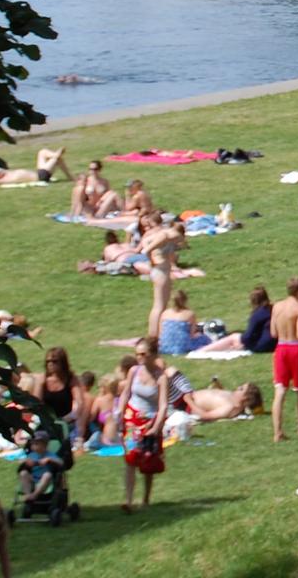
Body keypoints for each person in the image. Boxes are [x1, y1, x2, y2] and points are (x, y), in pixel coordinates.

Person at [120, 337, 172, 511]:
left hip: (150, 420)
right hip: (132, 418)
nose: (140, 358)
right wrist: (119, 413)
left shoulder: (161, 377)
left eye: (144, 354)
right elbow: (126, 393)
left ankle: (145, 499)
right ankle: (128, 500)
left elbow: (164, 405)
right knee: (130, 458)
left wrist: (157, 427)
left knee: (148, 461)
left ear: (153, 355)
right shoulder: (134, 371)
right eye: (137, 354)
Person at [269, 277, 298, 442]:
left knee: (280, 390)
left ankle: (277, 432)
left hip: (281, 348)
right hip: (296, 349)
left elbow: (273, 333)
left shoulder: (276, 307)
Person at [139, 210, 184, 340]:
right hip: (161, 270)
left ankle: (156, 333)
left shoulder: (148, 235)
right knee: (159, 305)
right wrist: (148, 250)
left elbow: (176, 237)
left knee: (160, 304)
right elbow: (168, 236)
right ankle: (153, 335)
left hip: (158, 269)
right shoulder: (161, 234)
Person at [37, 347, 92, 447]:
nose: (50, 364)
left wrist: (68, 417)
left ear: (62, 362)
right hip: (47, 422)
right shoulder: (42, 379)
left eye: (54, 361)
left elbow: (79, 403)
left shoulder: (71, 379)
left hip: (67, 422)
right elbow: (36, 403)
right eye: (48, 361)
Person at [15, 428, 64, 510]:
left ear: (45, 445)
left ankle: (34, 495)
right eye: (32, 444)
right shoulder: (31, 455)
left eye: (36, 444)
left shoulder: (50, 455)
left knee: (47, 475)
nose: (33, 446)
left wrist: (49, 460)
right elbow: (20, 462)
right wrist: (26, 462)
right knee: (23, 473)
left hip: (45, 480)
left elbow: (61, 463)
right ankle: (28, 495)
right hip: (33, 478)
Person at [0, 146, 65, 186]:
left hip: (39, 172)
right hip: (42, 176)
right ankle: (56, 155)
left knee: (42, 152)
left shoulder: (3, 173)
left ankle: (56, 154)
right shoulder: (3, 180)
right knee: (55, 159)